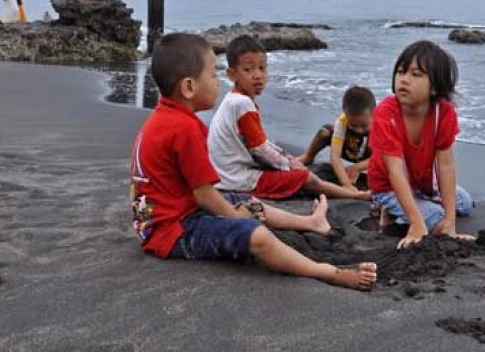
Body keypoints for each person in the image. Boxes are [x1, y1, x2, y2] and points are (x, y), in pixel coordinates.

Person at [129, 32, 376, 290]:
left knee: (243, 201)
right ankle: (327, 272)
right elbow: (204, 196)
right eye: (213, 75)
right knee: (253, 232)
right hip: (172, 232)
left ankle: (309, 222)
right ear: (189, 87)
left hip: (156, 221)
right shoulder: (184, 129)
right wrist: (235, 218)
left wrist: (235, 207)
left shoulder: (164, 119)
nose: (217, 82)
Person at [208, 35, 370, 201]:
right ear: (231, 74)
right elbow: (260, 149)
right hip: (238, 179)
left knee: (291, 167)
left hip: (227, 173)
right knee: (307, 178)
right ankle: (353, 194)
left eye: (262, 68)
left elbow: (260, 143)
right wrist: (290, 165)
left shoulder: (233, 100)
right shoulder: (242, 104)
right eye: (248, 70)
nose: (257, 75)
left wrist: (288, 159)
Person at [368, 40, 475, 249]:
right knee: (435, 219)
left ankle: (403, 211)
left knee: (464, 203)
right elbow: (395, 172)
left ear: (434, 87)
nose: (404, 80)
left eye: (416, 75)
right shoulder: (385, 114)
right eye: (401, 72)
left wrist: (451, 224)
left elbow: (445, 166)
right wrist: (417, 224)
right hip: (388, 185)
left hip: (422, 182)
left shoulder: (443, 112)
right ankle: (391, 208)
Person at [297, 86, 375, 191]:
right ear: (344, 112)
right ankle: (308, 157)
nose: (358, 130)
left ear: (374, 113)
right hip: (348, 149)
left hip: (368, 155)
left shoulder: (380, 123)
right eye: (353, 125)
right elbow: (335, 157)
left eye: (363, 126)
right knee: (325, 132)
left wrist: (357, 167)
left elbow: (383, 157)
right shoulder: (342, 121)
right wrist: (346, 184)